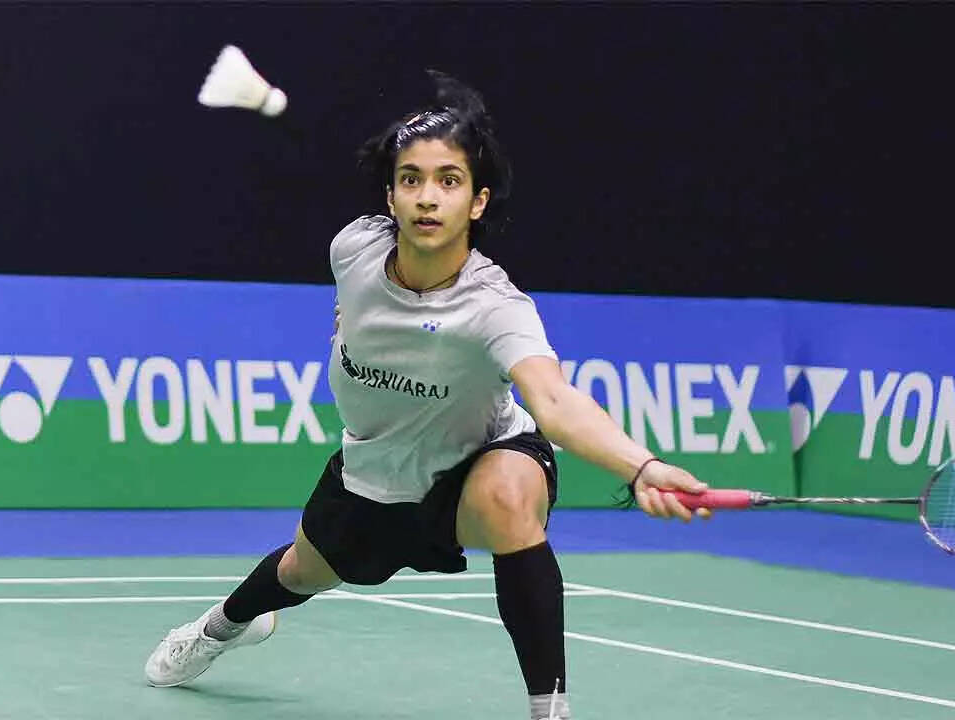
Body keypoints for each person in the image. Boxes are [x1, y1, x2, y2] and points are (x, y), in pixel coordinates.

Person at [143, 71, 712, 720]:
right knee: (302, 571)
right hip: (376, 475)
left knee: (507, 499)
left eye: (449, 180)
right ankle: (219, 628)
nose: (428, 197)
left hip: (478, 460)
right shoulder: (354, 249)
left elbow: (554, 403)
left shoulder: (495, 307)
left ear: (477, 201)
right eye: (411, 179)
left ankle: (549, 711)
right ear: (390, 197)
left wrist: (641, 466)